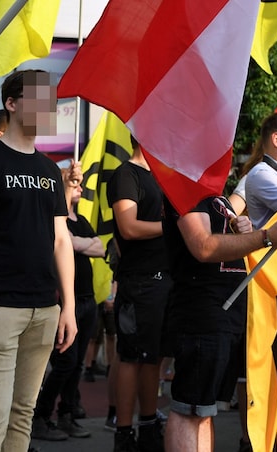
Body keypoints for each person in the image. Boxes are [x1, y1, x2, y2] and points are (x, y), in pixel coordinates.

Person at [0, 69, 78, 452]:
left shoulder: (49, 171)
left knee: (22, 416)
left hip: (44, 310)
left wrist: (67, 306)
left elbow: (60, 240)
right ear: (12, 103)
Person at [162, 194, 277, 451]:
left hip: (224, 314)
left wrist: (242, 233)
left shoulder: (215, 195)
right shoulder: (183, 187)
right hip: (202, 313)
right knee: (190, 408)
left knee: (204, 410)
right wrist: (264, 236)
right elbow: (203, 246)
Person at [107, 136, 171, 452]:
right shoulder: (126, 175)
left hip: (163, 281)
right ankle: (124, 432)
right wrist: (172, 227)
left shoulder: (162, 175)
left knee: (152, 358)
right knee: (132, 357)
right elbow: (129, 227)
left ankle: (147, 425)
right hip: (139, 282)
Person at [32, 168, 103, 441]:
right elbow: (63, 242)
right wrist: (74, 243)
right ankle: (41, 415)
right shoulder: (56, 218)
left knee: (76, 366)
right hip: (63, 303)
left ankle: (66, 414)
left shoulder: (82, 220)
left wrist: (76, 243)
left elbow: (99, 248)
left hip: (87, 302)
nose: (81, 190)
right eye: (76, 185)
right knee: (64, 363)